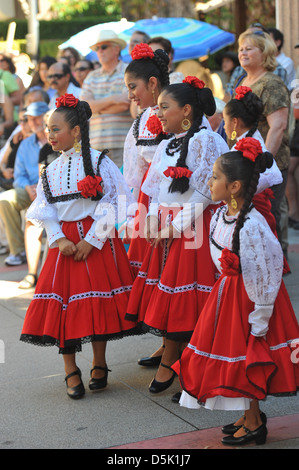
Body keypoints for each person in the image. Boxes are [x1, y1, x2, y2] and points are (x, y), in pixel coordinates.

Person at [172, 137, 299, 447]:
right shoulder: (223, 214)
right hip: (229, 294)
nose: (210, 181)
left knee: (248, 359)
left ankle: (255, 422)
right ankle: (248, 415)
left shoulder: (252, 225)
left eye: (216, 177)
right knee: (237, 359)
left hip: (252, 301)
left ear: (235, 187)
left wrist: (261, 316)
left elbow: (267, 270)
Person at [20, 93, 137, 399]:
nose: (50, 134)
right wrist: (58, 238)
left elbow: (118, 199)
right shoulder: (51, 169)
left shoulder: (99, 161)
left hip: (92, 242)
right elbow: (44, 210)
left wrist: (93, 239)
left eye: (55, 129)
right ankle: (70, 368)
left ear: (75, 131)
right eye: (48, 129)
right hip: (65, 246)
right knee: (64, 307)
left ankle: (99, 362)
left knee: (96, 304)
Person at [125, 77, 229, 393]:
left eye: (164, 107)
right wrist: (156, 218)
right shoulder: (169, 142)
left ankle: (184, 363)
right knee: (172, 299)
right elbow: (156, 186)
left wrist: (175, 226)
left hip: (194, 226)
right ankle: (178, 359)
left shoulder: (205, 140)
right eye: (157, 108)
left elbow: (205, 192)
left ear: (186, 110)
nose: (158, 114)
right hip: (171, 227)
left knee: (190, 301)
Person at [236, 30, 290, 249]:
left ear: (265, 52)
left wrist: (262, 162)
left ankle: (278, 259)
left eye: (249, 48)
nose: (243, 52)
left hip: (266, 161)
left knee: (269, 209)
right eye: (241, 48)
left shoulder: (271, 83)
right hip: (242, 158)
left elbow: (278, 126)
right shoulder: (242, 79)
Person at [122, 43, 170, 280]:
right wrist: (132, 216)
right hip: (149, 194)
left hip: (179, 193)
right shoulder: (141, 121)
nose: (130, 95)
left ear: (152, 83)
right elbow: (134, 174)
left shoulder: (181, 109)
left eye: (133, 87)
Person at [0, 101, 49, 266]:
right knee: (5, 200)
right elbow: (19, 176)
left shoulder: (56, 137)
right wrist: (28, 187)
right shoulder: (25, 144)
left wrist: (42, 188)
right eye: (29, 119)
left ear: (46, 117)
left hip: (53, 191)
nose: (33, 122)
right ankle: (18, 251)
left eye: (37, 118)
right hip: (31, 190)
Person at [80, 30, 133, 168]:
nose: (100, 51)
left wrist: (97, 108)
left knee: (123, 188)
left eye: (104, 47)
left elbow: (124, 104)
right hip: (96, 146)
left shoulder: (129, 72)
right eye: (97, 48)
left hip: (122, 144)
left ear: (116, 49)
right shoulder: (91, 76)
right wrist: (113, 99)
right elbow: (84, 108)